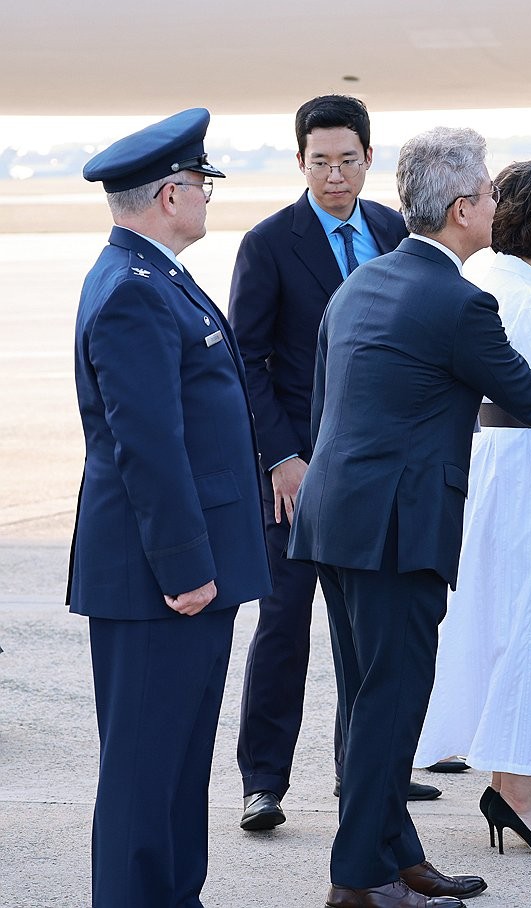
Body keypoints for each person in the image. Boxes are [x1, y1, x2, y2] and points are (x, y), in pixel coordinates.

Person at [287, 126, 531, 908]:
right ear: (458, 210)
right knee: (391, 701)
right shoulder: (457, 299)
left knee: (364, 696)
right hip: (396, 528)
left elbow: (324, 407)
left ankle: (395, 852)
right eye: (482, 193)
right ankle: (357, 881)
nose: (491, 202)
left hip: (335, 518)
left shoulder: (364, 282)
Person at [69, 109, 272, 907]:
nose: (208, 198)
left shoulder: (157, 276)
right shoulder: (134, 291)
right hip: (161, 580)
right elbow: (145, 447)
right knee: (143, 777)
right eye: (200, 185)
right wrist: (187, 569)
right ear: (169, 195)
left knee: (179, 766)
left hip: (183, 572)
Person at [228, 94, 440, 834]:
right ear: (300, 163)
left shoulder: (391, 229)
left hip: (376, 475)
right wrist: (282, 457)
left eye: (348, 160)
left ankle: (371, 774)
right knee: (284, 624)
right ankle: (263, 780)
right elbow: (245, 362)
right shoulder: (268, 243)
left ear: (369, 159)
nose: (335, 174)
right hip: (297, 473)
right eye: (320, 161)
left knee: (370, 634)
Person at [414, 158, 531, 856]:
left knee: (500, 624)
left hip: (485, 468)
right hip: (525, 473)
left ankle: (509, 783)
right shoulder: (527, 298)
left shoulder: (482, 276)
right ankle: (517, 793)